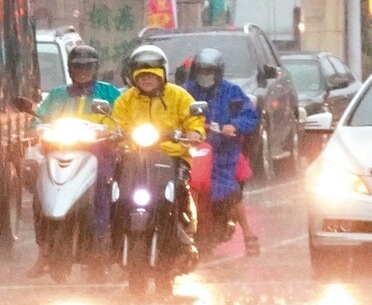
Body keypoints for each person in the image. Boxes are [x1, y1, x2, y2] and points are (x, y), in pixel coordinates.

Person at [27, 44, 120, 278]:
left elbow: (123, 117)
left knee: (103, 194)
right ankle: (44, 251)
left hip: (98, 155)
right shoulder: (58, 94)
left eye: (87, 67)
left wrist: (113, 131)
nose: (82, 72)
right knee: (40, 196)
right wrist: (36, 127)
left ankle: (101, 250)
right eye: (77, 67)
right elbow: (40, 117)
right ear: (70, 69)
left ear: (96, 68)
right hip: (60, 151)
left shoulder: (109, 93)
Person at [110, 45, 205, 255]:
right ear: (133, 78)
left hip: (171, 156)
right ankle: (115, 233)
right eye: (142, 76)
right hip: (135, 156)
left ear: (162, 74)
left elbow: (194, 118)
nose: (146, 80)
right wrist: (112, 133)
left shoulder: (179, 95)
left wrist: (194, 132)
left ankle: (184, 221)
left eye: (152, 75)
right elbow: (115, 123)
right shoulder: (126, 99)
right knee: (116, 191)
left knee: (180, 187)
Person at [183, 48, 261, 256]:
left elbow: (250, 116)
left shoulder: (232, 92)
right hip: (190, 151)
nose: (205, 76)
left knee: (228, 190)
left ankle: (248, 232)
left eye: (209, 72)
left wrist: (234, 126)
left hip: (222, 154)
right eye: (201, 71)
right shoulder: (185, 91)